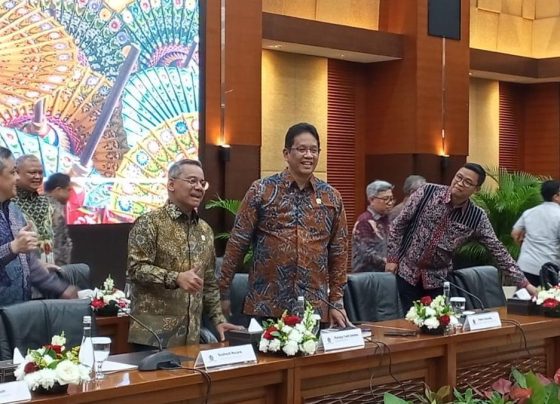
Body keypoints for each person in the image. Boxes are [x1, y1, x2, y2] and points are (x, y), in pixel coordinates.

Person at [218, 122, 349, 327]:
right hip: (267, 304)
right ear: (286, 154)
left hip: (313, 307)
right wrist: (222, 292)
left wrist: (337, 301)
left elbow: (339, 252)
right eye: (302, 149)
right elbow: (238, 243)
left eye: (314, 150)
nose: (309, 155)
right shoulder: (262, 190)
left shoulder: (331, 197)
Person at [386, 163, 537, 313]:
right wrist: (392, 258)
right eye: (459, 177)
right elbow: (397, 225)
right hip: (406, 272)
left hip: (437, 280)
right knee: (407, 322)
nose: (460, 183)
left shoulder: (476, 217)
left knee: (436, 323)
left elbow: (499, 251)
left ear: (476, 189)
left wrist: (525, 284)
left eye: (468, 182)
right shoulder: (427, 192)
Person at [127, 159, 241, 348]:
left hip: (191, 337)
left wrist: (218, 319)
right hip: (153, 337)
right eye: (192, 181)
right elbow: (135, 269)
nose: (199, 187)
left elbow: (209, 283)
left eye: (202, 183)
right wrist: (176, 278)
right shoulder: (150, 223)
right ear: (171, 184)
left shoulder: (204, 230)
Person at [0, 147, 77, 306]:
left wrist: (60, 287)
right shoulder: (16, 205)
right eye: (13, 172)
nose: (16, 178)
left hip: (21, 305)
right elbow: (17, 249)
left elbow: (28, 260)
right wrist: (13, 247)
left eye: (40, 172)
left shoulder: (14, 211)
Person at [512, 180, 560, 287]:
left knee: (524, 297)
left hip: (526, 265)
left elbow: (515, 233)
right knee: (548, 297)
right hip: (549, 268)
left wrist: (525, 248)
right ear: (556, 196)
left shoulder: (529, 212)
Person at [13, 155, 54, 263]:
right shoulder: (8, 203)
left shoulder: (46, 202)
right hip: (21, 265)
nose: (37, 176)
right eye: (32, 172)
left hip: (50, 263)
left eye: (40, 173)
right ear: (17, 173)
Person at [352, 180, 394, 272]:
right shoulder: (364, 221)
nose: (390, 203)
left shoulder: (388, 219)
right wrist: (388, 263)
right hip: (367, 274)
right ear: (371, 199)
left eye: (391, 199)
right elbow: (366, 252)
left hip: (384, 273)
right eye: (386, 199)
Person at [44, 173, 73, 266]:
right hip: (51, 266)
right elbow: (53, 243)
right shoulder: (54, 210)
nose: (70, 194)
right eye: (68, 190)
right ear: (58, 190)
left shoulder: (39, 205)